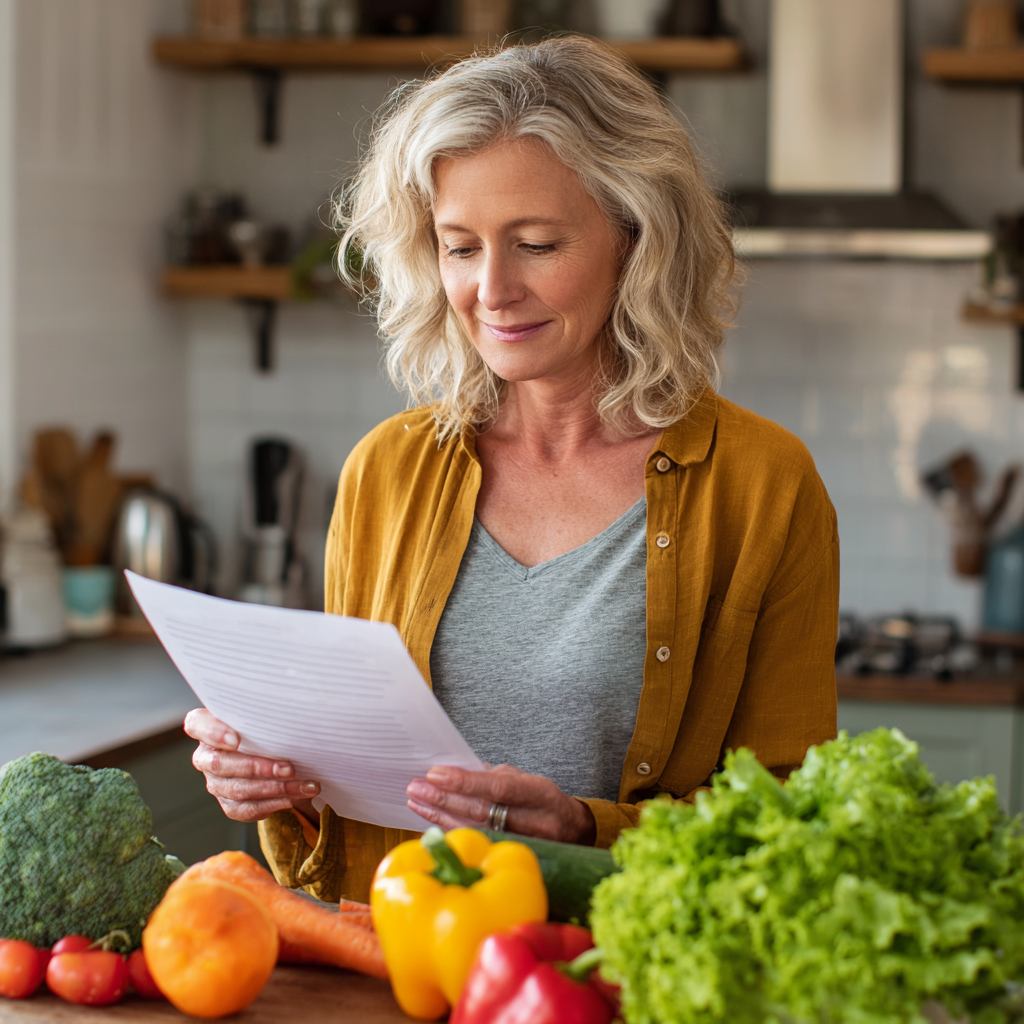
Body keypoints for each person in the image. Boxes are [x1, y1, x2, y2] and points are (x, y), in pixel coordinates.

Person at [185, 35, 839, 904]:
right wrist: (275, 782)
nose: (491, 288)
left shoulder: (765, 485)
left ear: (636, 241)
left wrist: (583, 831)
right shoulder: (387, 470)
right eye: (460, 247)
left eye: (535, 244)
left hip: (620, 979)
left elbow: (793, 820)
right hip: (402, 974)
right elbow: (344, 815)